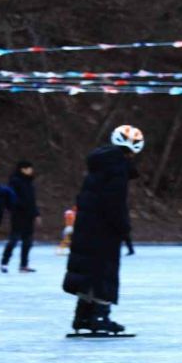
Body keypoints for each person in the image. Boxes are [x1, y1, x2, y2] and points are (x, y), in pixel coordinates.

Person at [63, 125, 143, 334]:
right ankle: (99, 315)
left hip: (88, 226)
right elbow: (114, 203)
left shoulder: (100, 164)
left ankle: (82, 316)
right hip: (103, 229)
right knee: (103, 272)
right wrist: (123, 227)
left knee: (89, 271)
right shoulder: (117, 169)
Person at [1, 160, 41, 273]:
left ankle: (24, 264)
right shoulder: (15, 182)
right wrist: (17, 208)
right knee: (14, 239)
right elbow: (11, 199)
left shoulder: (29, 183)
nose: (31, 170)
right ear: (23, 169)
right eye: (29, 168)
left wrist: (36, 213)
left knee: (28, 241)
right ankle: (4, 262)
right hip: (18, 215)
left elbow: (32, 201)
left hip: (29, 216)